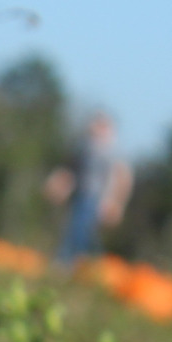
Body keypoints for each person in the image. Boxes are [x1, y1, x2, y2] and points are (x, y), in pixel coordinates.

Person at [45, 112, 133, 265]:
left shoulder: (112, 152)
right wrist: (57, 184)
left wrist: (116, 203)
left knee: (82, 230)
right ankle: (79, 262)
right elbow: (70, 170)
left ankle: (73, 262)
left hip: (98, 199)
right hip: (80, 195)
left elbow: (122, 178)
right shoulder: (84, 148)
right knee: (77, 229)